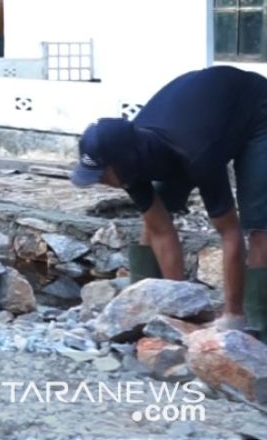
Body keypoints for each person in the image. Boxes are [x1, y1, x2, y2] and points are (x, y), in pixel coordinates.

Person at [71, 66, 267, 333]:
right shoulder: (128, 156)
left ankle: (253, 320)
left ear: (121, 162)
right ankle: (144, 291)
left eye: (101, 174)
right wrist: (174, 307)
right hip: (200, 119)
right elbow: (161, 230)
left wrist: (230, 316)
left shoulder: (197, 154)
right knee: (155, 214)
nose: (99, 181)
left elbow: (229, 232)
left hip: (256, 112)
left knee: (258, 224)